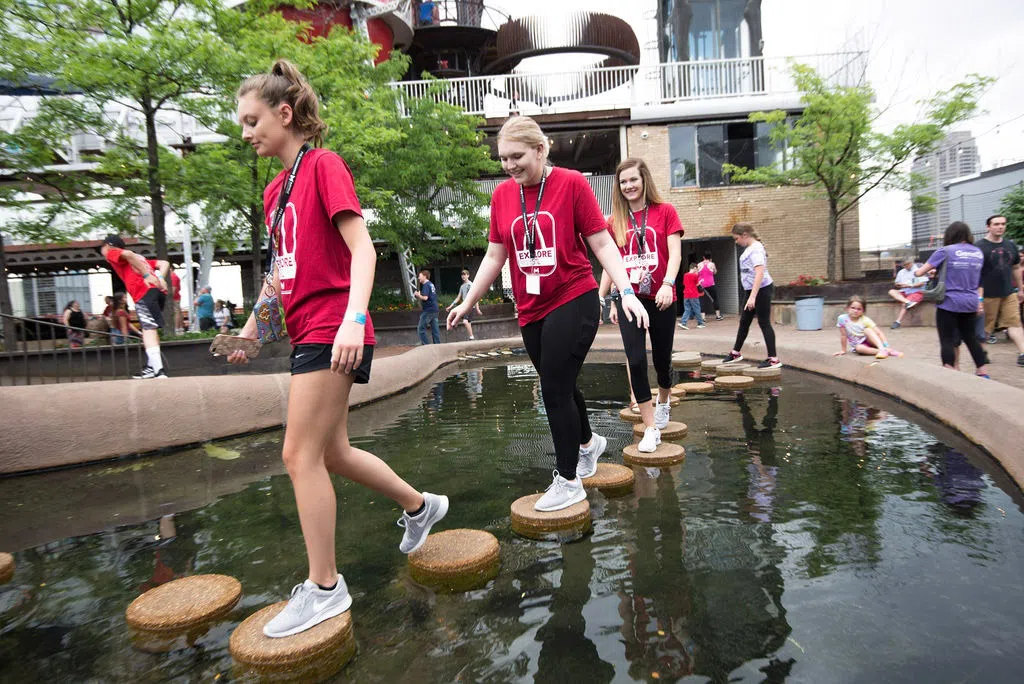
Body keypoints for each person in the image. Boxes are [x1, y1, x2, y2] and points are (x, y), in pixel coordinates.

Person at [229, 59, 447, 638]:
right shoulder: (277, 189)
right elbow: (281, 272)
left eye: (252, 121)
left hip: (333, 327)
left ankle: (326, 587)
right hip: (307, 328)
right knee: (331, 455)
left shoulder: (324, 166)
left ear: (284, 113)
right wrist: (254, 325)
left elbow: (363, 250)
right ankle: (420, 507)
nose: (246, 133)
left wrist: (354, 319)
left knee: (297, 455)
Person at [448, 116, 649, 511]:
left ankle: (568, 480)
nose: (509, 165)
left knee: (554, 389)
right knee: (561, 381)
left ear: (541, 150)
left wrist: (625, 290)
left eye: (517, 156)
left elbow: (603, 244)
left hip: (573, 297)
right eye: (503, 158)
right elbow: (495, 255)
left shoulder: (572, 183)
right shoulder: (502, 196)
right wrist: (469, 301)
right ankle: (590, 445)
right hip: (531, 308)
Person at [599, 157, 682, 452]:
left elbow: (674, 255)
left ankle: (664, 398)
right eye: (623, 182)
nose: (628, 186)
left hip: (660, 298)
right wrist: (605, 298)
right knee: (635, 360)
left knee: (662, 361)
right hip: (630, 299)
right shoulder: (613, 222)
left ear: (644, 180)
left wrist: (668, 285)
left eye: (633, 180)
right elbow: (611, 263)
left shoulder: (665, 212)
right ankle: (650, 429)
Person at [915, 221, 990, 377]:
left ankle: (950, 372)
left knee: (947, 339)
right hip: (971, 301)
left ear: (950, 235)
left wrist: (925, 271)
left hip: (949, 301)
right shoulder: (977, 252)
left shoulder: (945, 251)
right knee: (971, 338)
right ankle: (982, 371)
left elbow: (920, 272)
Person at [98, 235, 170, 378]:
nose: (102, 252)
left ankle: (159, 371)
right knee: (150, 328)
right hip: (158, 292)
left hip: (143, 292)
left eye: (102, 248)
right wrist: (160, 278)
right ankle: (151, 367)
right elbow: (164, 263)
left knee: (148, 329)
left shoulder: (112, 252)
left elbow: (128, 254)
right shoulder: (141, 259)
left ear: (108, 245)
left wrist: (145, 276)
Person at [727, 223, 781, 368]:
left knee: (764, 322)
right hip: (750, 290)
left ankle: (773, 359)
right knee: (744, 321)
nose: (736, 241)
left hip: (761, 290)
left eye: (736, 238)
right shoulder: (750, 249)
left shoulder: (756, 249)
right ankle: (735, 352)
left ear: (745, 235)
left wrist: (752, 297)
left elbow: (760, 273)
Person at [978, 214, 1024, 365]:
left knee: (1015, 323)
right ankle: (982, 354)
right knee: (985, 327)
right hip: (987, 294)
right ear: (988, 227)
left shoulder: (1010, 245)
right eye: (996, 224)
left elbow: (1016, 267)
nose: (1000, 227)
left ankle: (1023, 353)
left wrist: (1021, 289)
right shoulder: (979, 247)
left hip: (1009, 292)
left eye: (1003, 224)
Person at [833, 295, 902, 358]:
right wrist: (843, 350)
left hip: (871, 341)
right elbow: (843, 335)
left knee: (867, 330)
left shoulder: (865, 320)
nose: (855, 311)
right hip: (860, 346)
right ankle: (886, 351)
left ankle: (882, 349)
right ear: (847, 308)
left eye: (859, 309)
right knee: (858, 348)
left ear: (863, 311)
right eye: (853, 308)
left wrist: (886, 345)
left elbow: (879, 333)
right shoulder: (842, 319)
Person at [888, 257, 929, 329]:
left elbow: (922, 283)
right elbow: (896, 283)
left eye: (907, 264)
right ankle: (907, 302)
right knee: (891, 291)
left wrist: (909, 285)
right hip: (904, 291)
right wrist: (899, 284)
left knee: (904, 305)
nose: (905, 266)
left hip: (916, 291)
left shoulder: (918, 269)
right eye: (904, 265)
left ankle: (897, 322)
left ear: (911, 263)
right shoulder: (901, 272)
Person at [446, 269, 483, 340]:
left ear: (468, 275)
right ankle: (471, 337)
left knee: (465, 322)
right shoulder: (462, 286)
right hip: (464, 307)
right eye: (462, 275)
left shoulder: (471, 285)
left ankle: (471, 337)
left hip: (470, 307)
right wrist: (450, 306)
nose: (463, 276)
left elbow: (475, 297)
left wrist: (477, 309)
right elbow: (458, 298)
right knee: (467, 322)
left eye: (465, 275)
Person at [415, 269, 441, 344]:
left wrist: (418, 295)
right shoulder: (431, 284)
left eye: (420, 276)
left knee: (421, 329)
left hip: (428, 310)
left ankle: (426, 345)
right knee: (435, 330)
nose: (418, 278)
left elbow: (425, 298)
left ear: (424, 276)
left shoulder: (426, 285)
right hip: (435, 309)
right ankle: (437, 345)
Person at [678, 261, 705, 330]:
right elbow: (696, 284)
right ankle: (700, 323)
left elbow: (685, 284)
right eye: (697, 269)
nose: (697, 270)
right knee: (697, 309)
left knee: (687, 309)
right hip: (693, 294)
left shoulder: (685, 275)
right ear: (694, 268)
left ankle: (683, 322)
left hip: (686, 294)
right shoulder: (695, 276)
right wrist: (701, 281)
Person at [697, 251, 723, 320]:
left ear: (703, 257)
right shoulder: (712, 264)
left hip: (701, 284)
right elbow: (715, 272)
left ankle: (703, 317)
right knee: (715, 299)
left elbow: (697, 274)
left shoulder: (699, 264)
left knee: (702, 300)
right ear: (710, 257)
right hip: (711, 284)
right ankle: (718, 315)